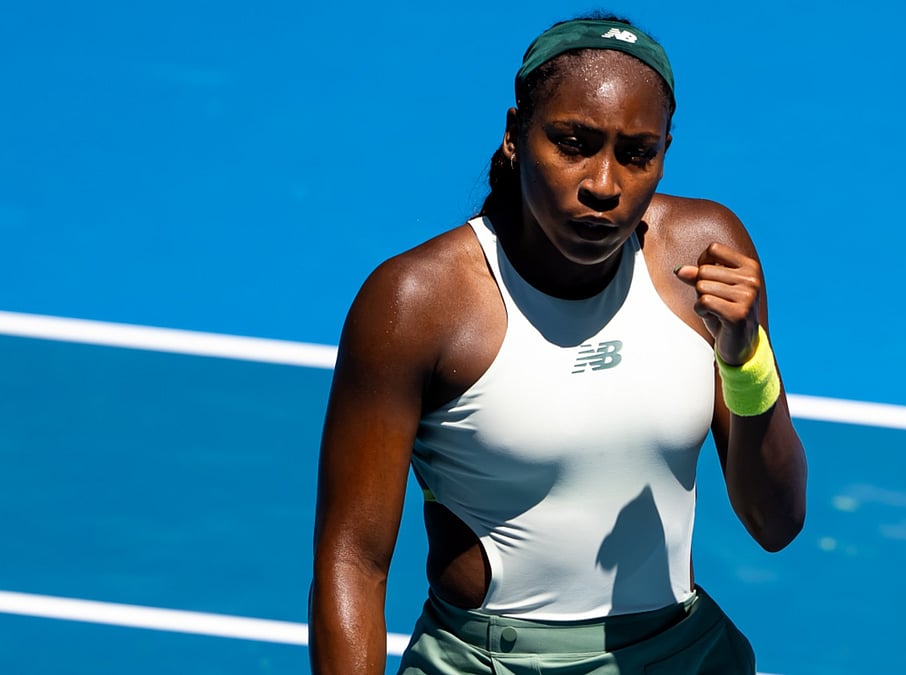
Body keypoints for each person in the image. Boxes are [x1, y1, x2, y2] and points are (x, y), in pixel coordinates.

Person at [309, 14, 807, 675]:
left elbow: (776, 522)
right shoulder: (416, 303)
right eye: (574, 143)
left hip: (680, 656)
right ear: (515, 134)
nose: (604, 184)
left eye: (637, 154)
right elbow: (353, 561)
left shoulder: (706, 254)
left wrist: (745, 358)